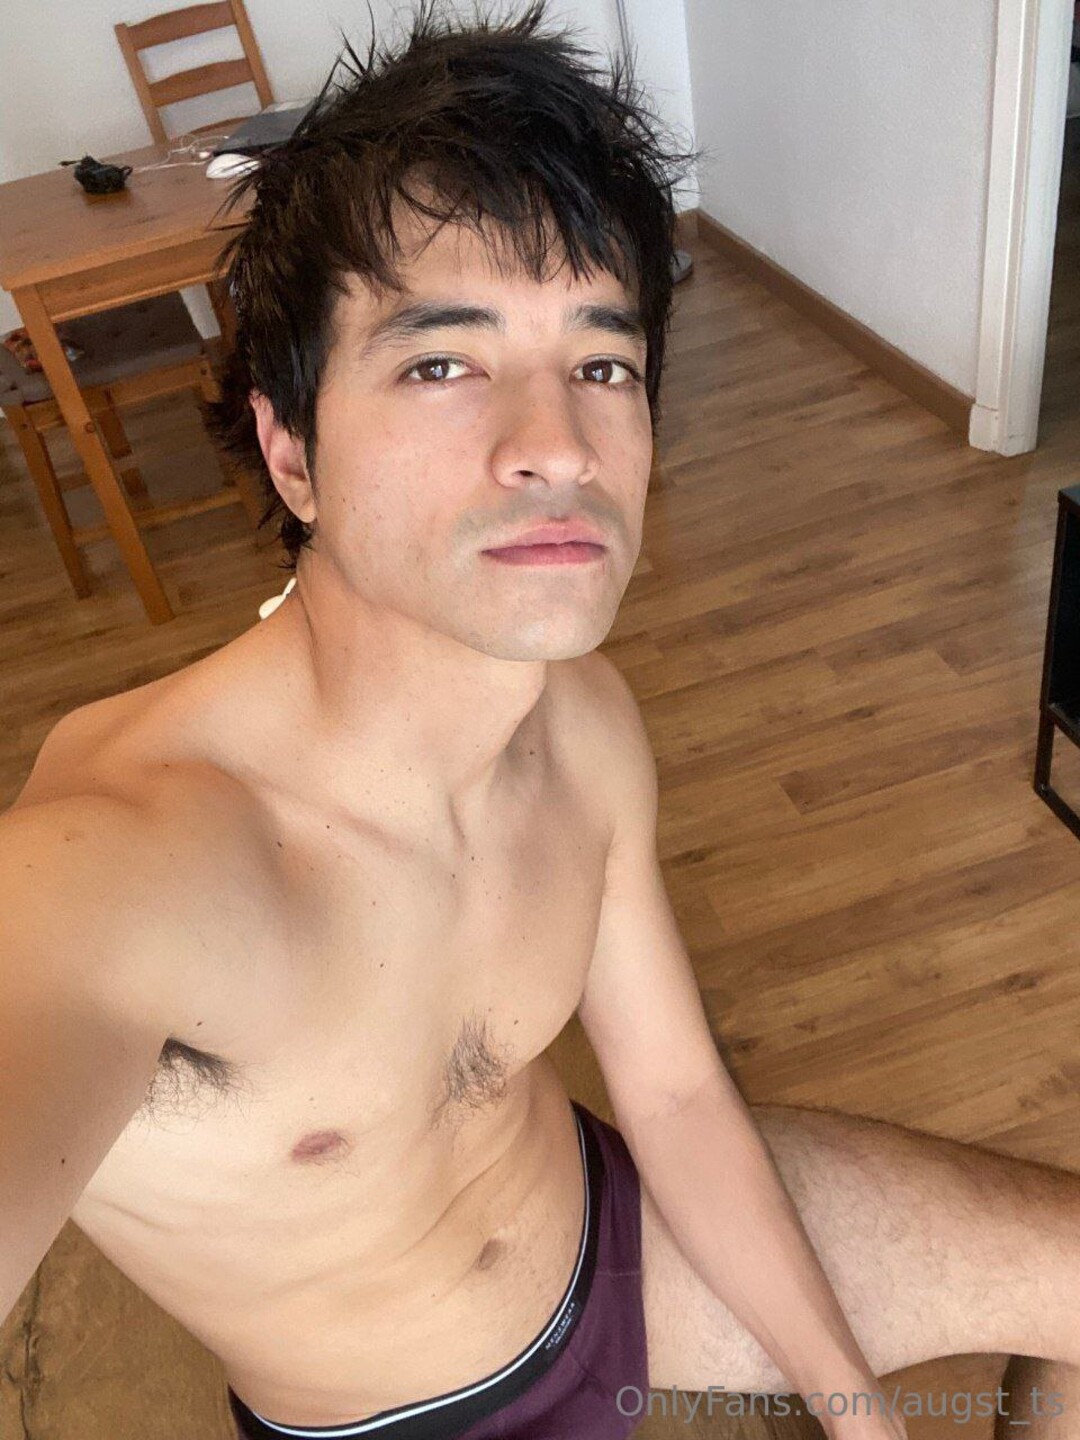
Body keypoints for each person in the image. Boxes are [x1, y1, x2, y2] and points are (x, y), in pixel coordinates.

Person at [2, 3, 1079, 1438]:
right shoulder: (111, 871)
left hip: (615, 1241)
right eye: (441, 362)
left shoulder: (584, 722)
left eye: (602, 362)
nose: (557, 445)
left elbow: (677, 1097)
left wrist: (860, 1415)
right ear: (291, 451)